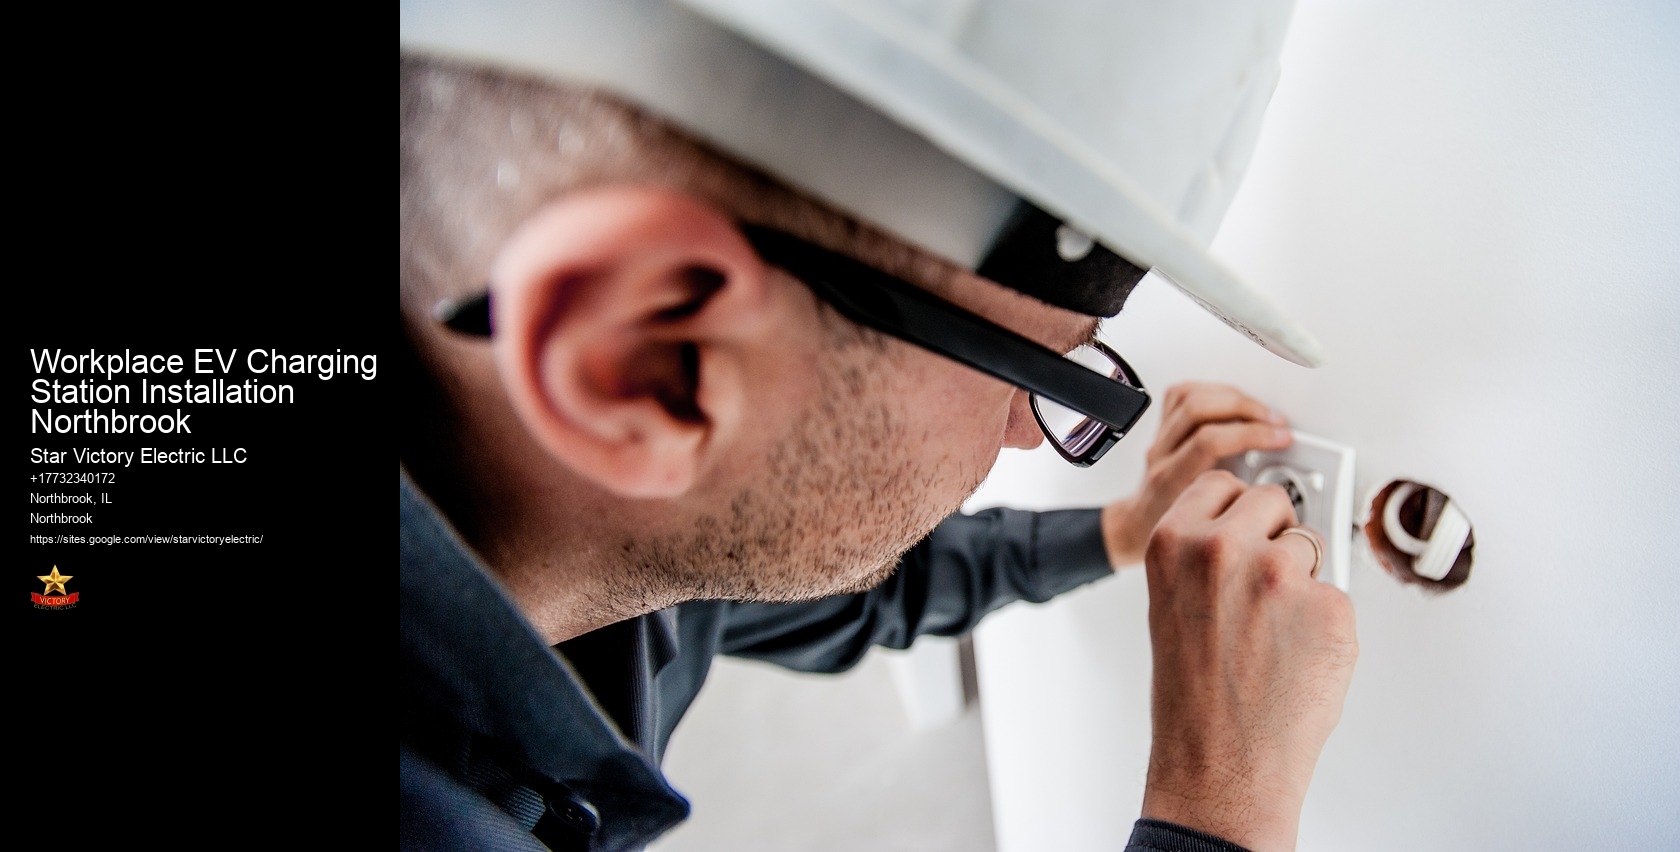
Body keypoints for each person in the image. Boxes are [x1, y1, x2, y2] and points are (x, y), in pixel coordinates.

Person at [399, 2, 1358, 851]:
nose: (1029, 434)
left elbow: (859, 590)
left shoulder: (611, 528)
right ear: (647, 363)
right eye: (1038, 373)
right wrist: (1215, 817)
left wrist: (1121, 529)